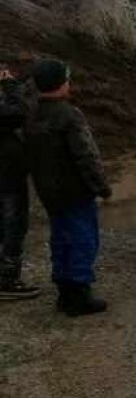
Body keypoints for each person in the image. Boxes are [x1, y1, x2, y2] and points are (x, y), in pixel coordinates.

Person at [25, 59, 112, 316]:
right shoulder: (69, 116)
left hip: (49, 193)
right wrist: (101, 187)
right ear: (61, 84)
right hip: (75, 193)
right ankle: (79, 295)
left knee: (61, 238)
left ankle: (64, 290)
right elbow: (86, 156)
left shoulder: (32, 115)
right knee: (83, 239)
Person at [0, 65, 40, 300]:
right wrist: (11, 85)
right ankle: (7, 281)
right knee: (13, 225)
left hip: (7, 170)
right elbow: (17, 113)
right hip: (6, 174)